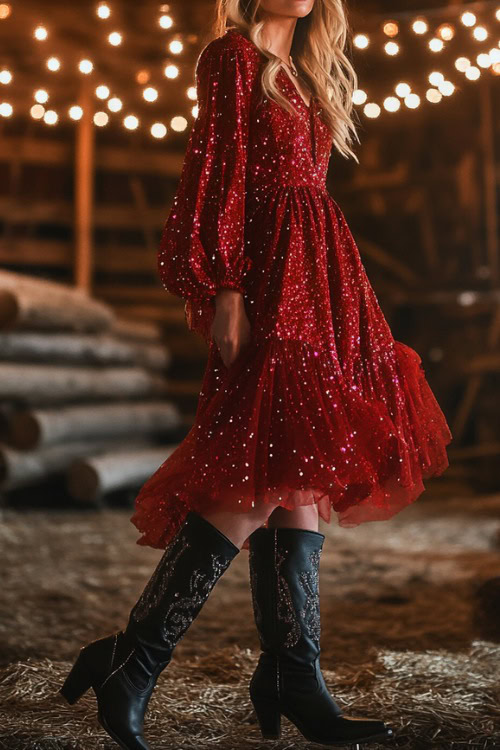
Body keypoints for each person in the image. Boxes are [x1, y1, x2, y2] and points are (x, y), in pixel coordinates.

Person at [60, 1, 452, 747]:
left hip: (323, 276)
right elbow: (219, 177)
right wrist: (228, 289)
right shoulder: (232, 60)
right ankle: (135, 661)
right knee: (260, 474)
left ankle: (289, 676)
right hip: (269, 279)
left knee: (296, 462)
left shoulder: (307, 72)